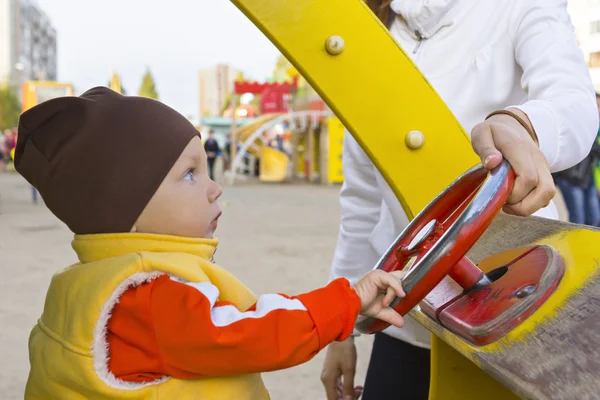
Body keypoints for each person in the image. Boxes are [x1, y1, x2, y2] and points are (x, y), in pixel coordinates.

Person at [16, 87, 408, 400]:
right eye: (190, 175)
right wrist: (347, 301)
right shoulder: (145, 298)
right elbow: (251, 333)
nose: (214, 188)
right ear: (126, 208)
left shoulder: (87, 285)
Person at [321, 1, 599, 400]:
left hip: (513, 307)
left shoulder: (517, 7)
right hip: (408, 315)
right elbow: (363, 204)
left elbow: (570, 95)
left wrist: (521, 124)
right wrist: (341, 328)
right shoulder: (366, 38)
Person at [553, 93, 600, 227]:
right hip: (570, 177)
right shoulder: (574, 124)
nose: (597, 109)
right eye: (595, 105)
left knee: (594, 219)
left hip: (587, 176)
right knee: (578, 220)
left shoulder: (594, 124)